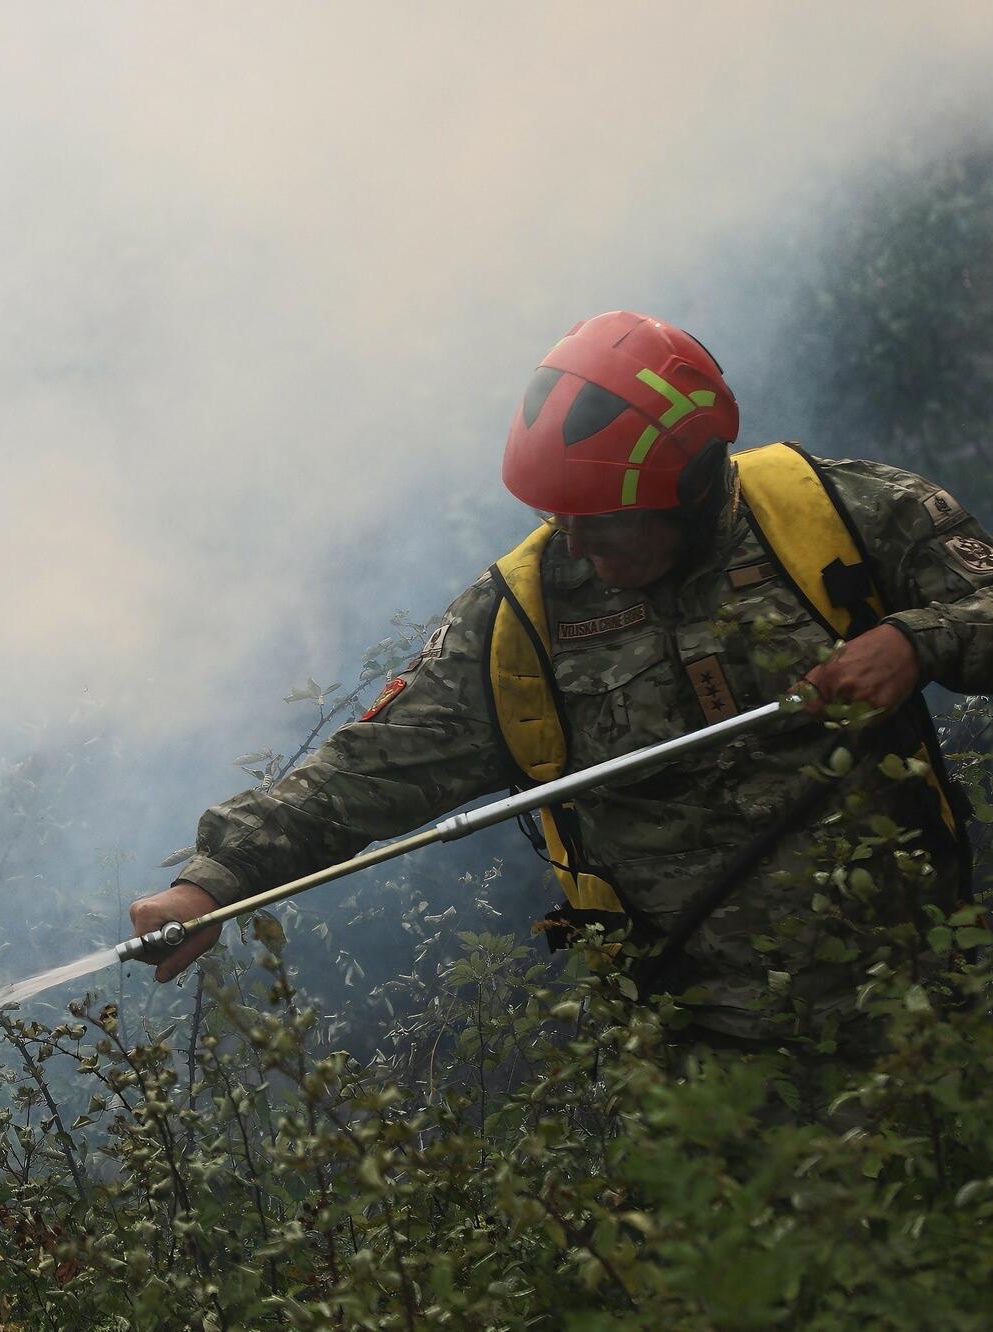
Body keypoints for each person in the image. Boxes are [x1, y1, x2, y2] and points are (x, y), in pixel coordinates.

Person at [130, 311, 993, 1047]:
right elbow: (373, 764)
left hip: (926, 1010)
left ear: (689, 488)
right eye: (558, 518)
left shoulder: (841, 513)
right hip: (698, 1056)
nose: (575, 546)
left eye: (603, 523)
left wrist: (919, 641)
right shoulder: (523, 616)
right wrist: (215, 879)